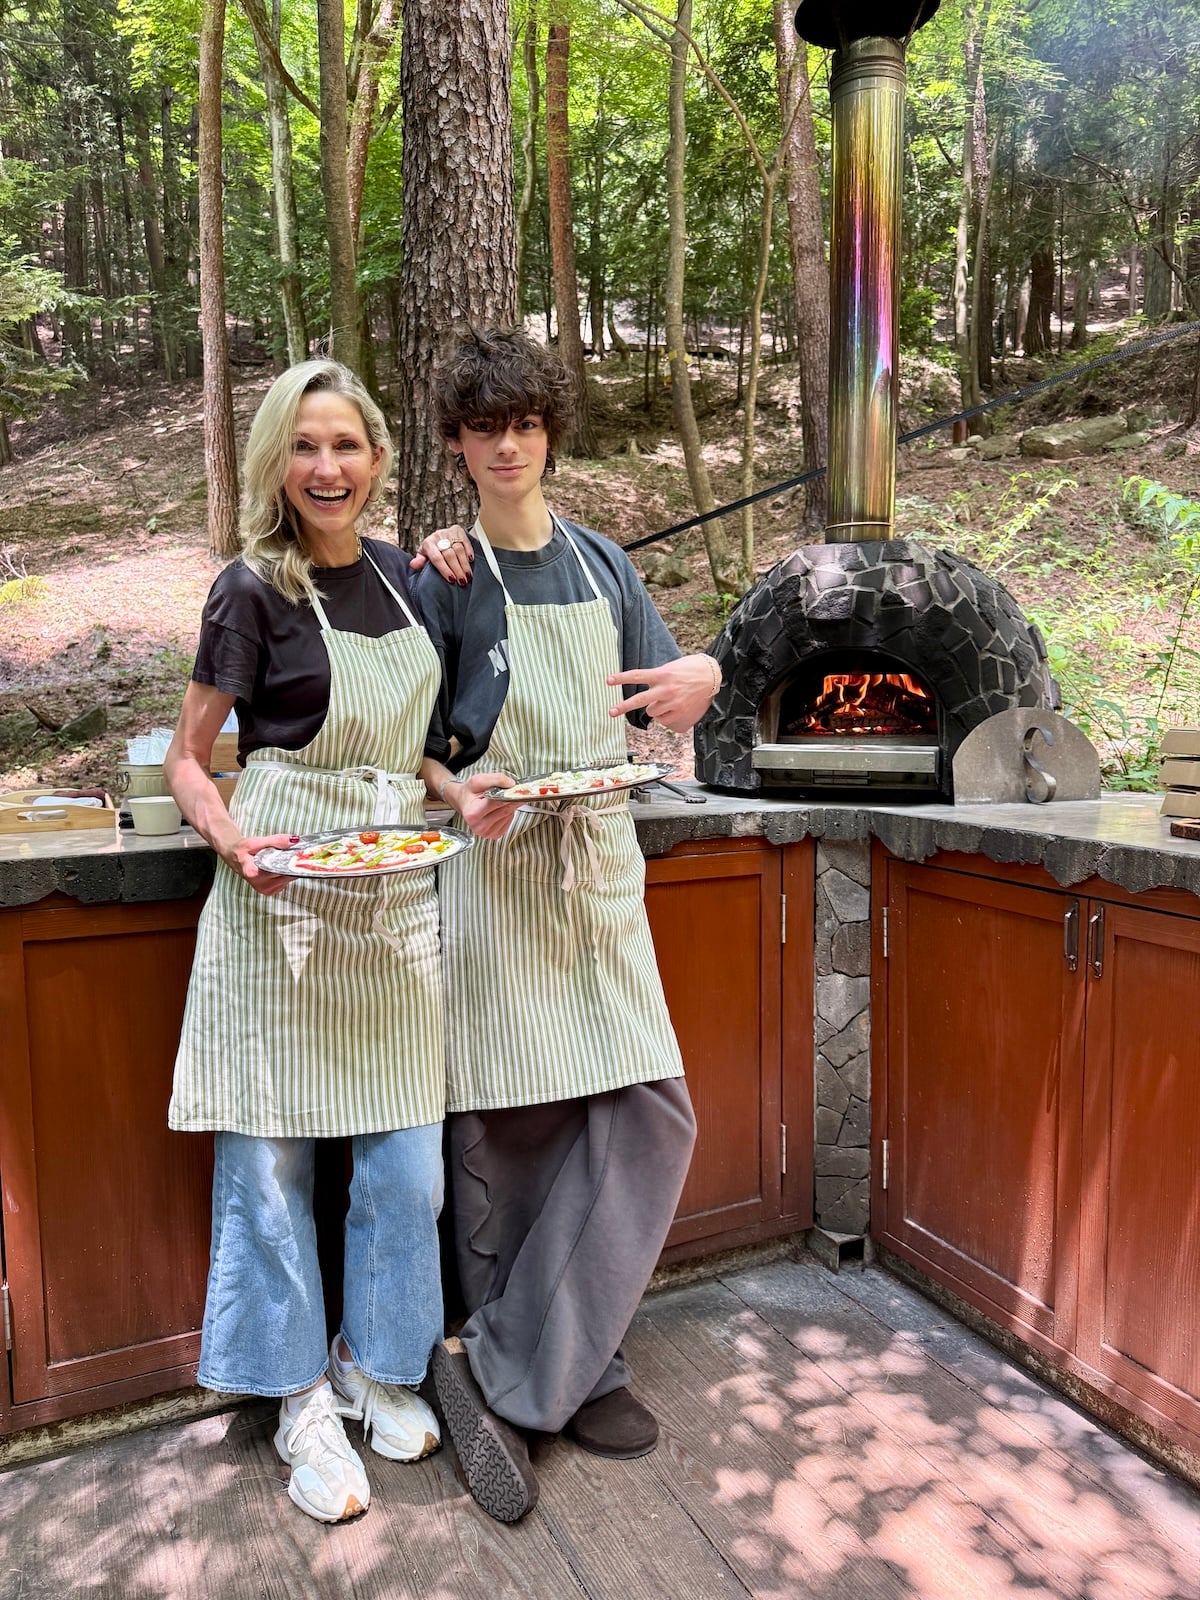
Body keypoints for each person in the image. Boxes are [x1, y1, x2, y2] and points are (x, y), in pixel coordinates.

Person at [410, 326, 720, 1524]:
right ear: (456, 441)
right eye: (484, 426)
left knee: (648, 1111)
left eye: (526, 423)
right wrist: (461, 794)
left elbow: (663, 709)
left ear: (549, 433)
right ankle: (581, 1367)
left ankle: (501, 1369)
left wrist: (699, 668)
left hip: (595, 861)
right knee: (515, 1129)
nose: (506, 444)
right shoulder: (440, 575)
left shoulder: (602, 567)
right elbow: (416, 744)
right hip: (493, 871)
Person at [165, 359, 446, 1525]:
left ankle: (374, 1360)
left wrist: (450, 789)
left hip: (392, 885)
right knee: (272, 1164)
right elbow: (191, 755)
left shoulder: (408, 574)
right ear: (278, 461)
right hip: (280, 880)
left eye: (347, 445)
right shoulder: (249, 588)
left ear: (378, 460)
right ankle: (295, 1402)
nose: (326, 467)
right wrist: (232, 839)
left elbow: (413, 741)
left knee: (405, 1159)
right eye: (304, 445)